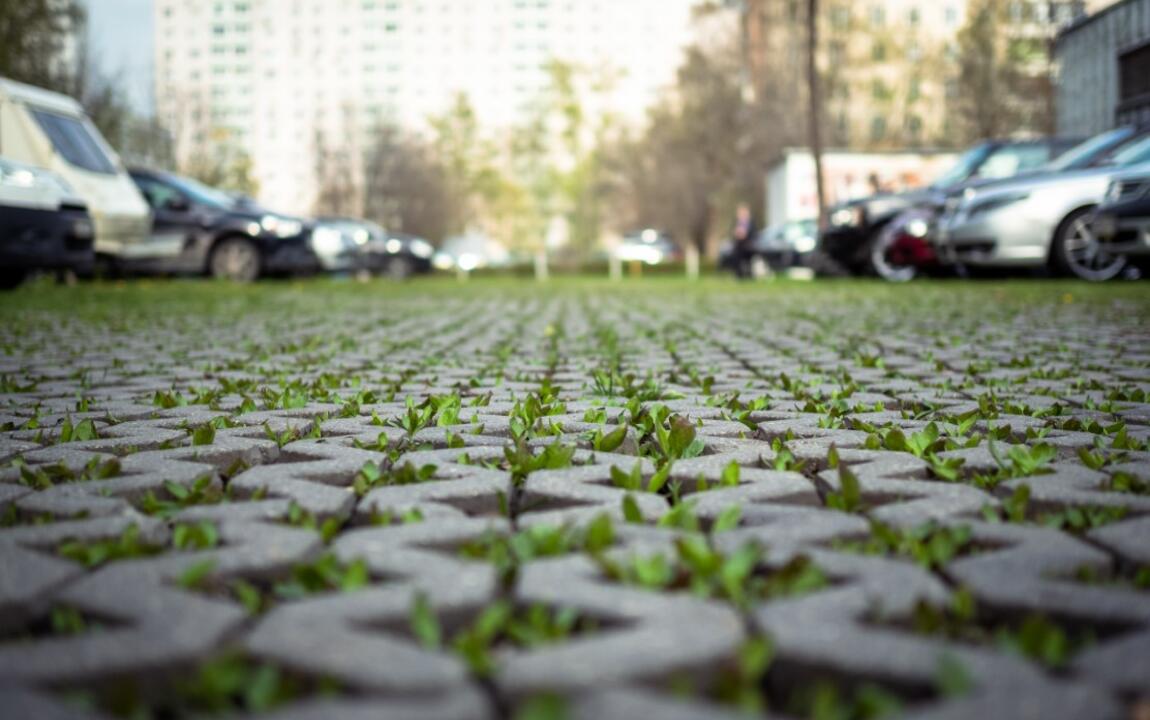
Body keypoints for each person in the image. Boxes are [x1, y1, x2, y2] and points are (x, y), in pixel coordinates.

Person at [730, 203, 758, 279]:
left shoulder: (751, 223)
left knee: (747, 259)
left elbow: (754, 235)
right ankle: (739, 275)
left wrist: (745, 235)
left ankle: (749, 275)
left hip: (749, 246)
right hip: (739, 246)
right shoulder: (737, 223)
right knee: (735, 255)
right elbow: (733, 235)